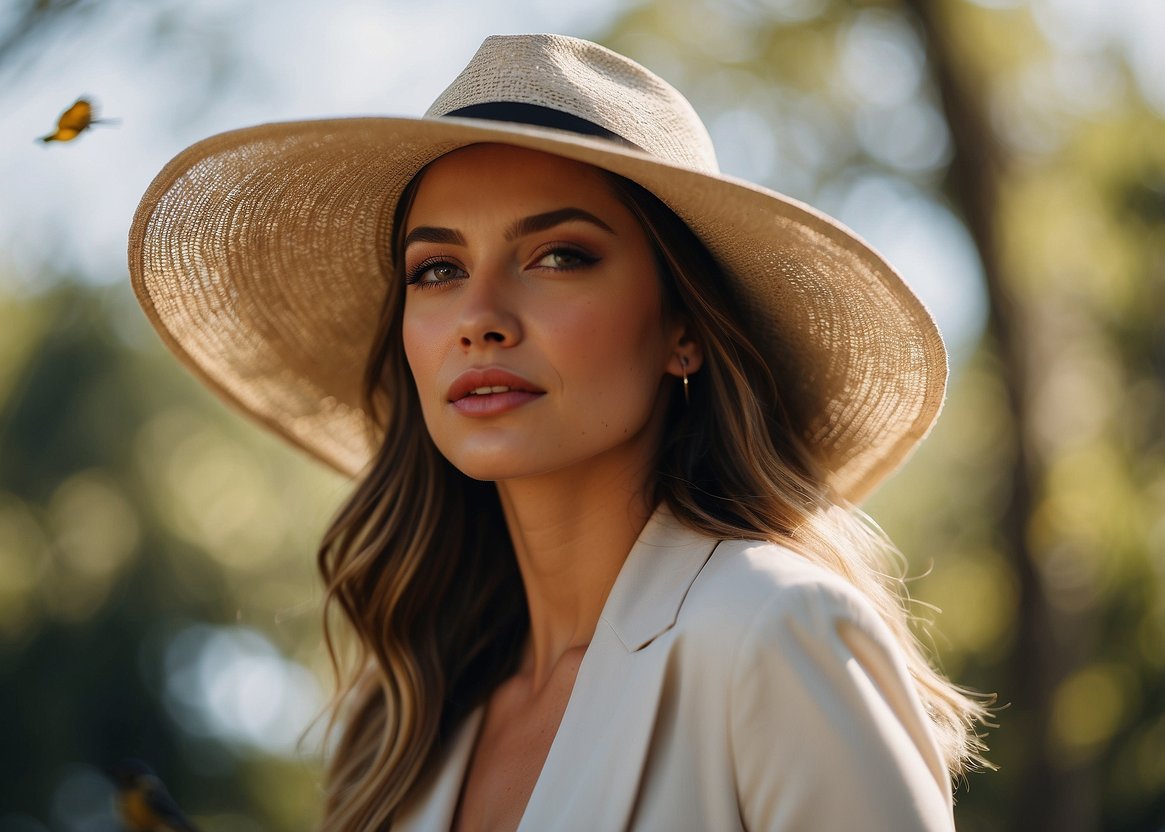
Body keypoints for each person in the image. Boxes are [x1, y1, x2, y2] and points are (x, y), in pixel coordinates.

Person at [130, 33, 989, 832]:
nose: (479, 319)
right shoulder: (398, 728)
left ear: (682, 328)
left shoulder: (773, 632)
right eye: (437, 269)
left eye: (558, 256)